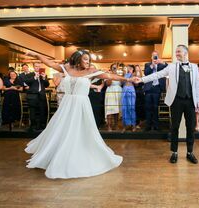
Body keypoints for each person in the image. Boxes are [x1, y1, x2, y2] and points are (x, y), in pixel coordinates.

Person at [25, 50, 130, 179]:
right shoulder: (67, 68)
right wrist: (36, 55)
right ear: (78, 59)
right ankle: (58, 155)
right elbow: (50, 63)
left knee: (81, 131)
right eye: (85, 59)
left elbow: (111, 76)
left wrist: (127, 79)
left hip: (82, 105)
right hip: (67, 105)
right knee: (62, 130)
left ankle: (80, 154)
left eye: (88, 60)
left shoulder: (91, 71)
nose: (88, 62)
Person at [133, 45, 199, 164]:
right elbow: (157, 75)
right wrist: (142, 79)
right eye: (176, 52)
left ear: (185, 53)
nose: (176, 53)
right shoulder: (172, 67)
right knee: (174, 127)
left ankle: (190, 152)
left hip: (190, 101)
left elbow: (197, 85)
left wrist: (198, 101)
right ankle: (174, 152)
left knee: (191, 128)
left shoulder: (194, 67)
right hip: (176, 101)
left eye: (179, 51)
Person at [143, 51, 167, 131]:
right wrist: (152, 66)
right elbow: (146, 73)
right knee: (148, 108)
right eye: (153, 56)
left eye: (156, 56)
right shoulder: (147, 65)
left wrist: (162, 62)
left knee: (155, 108)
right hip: (148, 89)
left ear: (158, 57)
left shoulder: (161, 65)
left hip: (157, 88)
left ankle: (156, 125)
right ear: (151, 57)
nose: (155, 58)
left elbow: (169, 67)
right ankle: (148, 126)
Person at [24, 63, 50, 131]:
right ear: (33, 67)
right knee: (33, 111)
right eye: (36, 66)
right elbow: (27, 82)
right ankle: (33, 126)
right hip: (32, 95)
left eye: (39, 66)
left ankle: (42, 126)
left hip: (41, 95)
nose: (37, 67)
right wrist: (35, 77)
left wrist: (44, 78)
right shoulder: (29, 75)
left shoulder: (43, 75)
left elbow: (47, 85)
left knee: (42, 111)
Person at [104, 63, 123, 131]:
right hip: (111, 92)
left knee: (117, 110)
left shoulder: (119, 75)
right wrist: (111, 75)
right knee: (110, 109)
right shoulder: (108, 75)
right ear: (111, 68)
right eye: (113, 68)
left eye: (116, 68)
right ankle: (109, 126)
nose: (115, 69)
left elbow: (121, 83)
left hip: (118, 93)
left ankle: (116, 125)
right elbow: (108, 84)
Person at [121, 65, 136, 132]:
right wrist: (123, 74)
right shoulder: (124, 74)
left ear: (133, 69)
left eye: (130, 68)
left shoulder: (134, 74)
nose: (129, 68)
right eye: (128, 67)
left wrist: (131, 73)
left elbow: (136, 82)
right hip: (124, 90)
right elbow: (121, 83)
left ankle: (133, 125)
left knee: (131, 107)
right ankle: (124, 126)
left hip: (131, 90)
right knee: (124, 108)